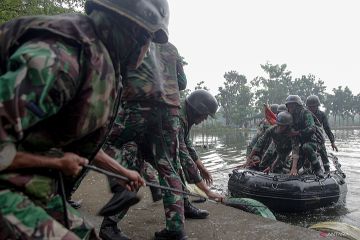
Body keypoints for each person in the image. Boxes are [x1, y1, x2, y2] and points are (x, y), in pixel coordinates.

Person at [0, 0, 170, 238]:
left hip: (24, 180)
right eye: (149, 41)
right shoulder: (59, 60)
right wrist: (57, 163)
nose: (148, 50)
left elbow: (70, 137)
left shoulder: (102, 61)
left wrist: (121, 171)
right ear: (135, 34)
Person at [103, 42, 202, 240]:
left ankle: (108, 223)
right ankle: (175, 229)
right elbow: (181, 82)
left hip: (136, 107)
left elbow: (111, 72)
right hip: (168, 110)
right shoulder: (172, 48)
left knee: (104, 148)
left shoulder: (133, 36)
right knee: (169, 168)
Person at [285, 95, 324, 177]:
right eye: (288, 106)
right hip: (301, 143)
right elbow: (294, 141)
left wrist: (297, 133)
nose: (290, 108)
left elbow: (312, 129)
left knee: (306, 147)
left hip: (315, 141)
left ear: (297, 105)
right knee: (292, 169)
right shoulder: (291, 118)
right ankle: (305, 168)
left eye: (292, 105)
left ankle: (318, 169)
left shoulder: (305, 113)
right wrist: (294, 167)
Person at [306, 95, 338, 173]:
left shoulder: (321, 114)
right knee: (305, 150)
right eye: (310, 107)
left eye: (314, 106)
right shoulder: (305, 114)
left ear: (317, 106)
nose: (312, 108)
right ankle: (306, 167)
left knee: (322, 150)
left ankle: (326, 168)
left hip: (318, 136)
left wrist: (332, 142)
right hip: (307, 135)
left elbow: (327, 128)